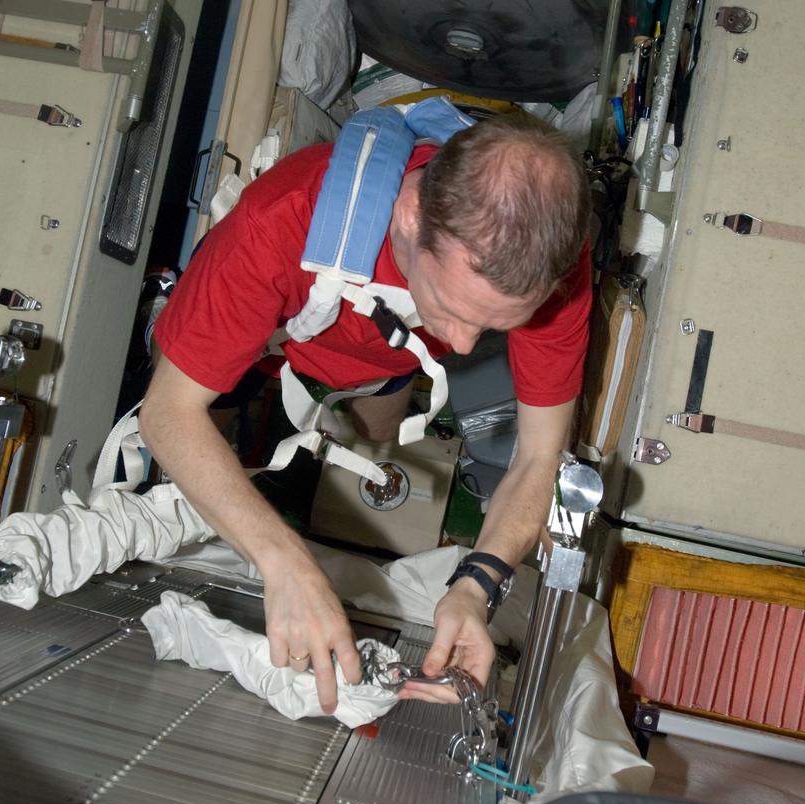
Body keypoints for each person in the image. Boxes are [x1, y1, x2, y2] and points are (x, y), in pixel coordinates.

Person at [140, 110, 592, 715]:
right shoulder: (279, 222)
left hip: (388, 351)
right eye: (454, 309)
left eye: (492, 327)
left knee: (375, 457)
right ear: (411, 216)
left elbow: (539, 456)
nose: (462, 347)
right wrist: (283, 562)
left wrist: (475, 585)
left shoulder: (546, 267)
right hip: (266, 339)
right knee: (195, 474)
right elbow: (168, 414)